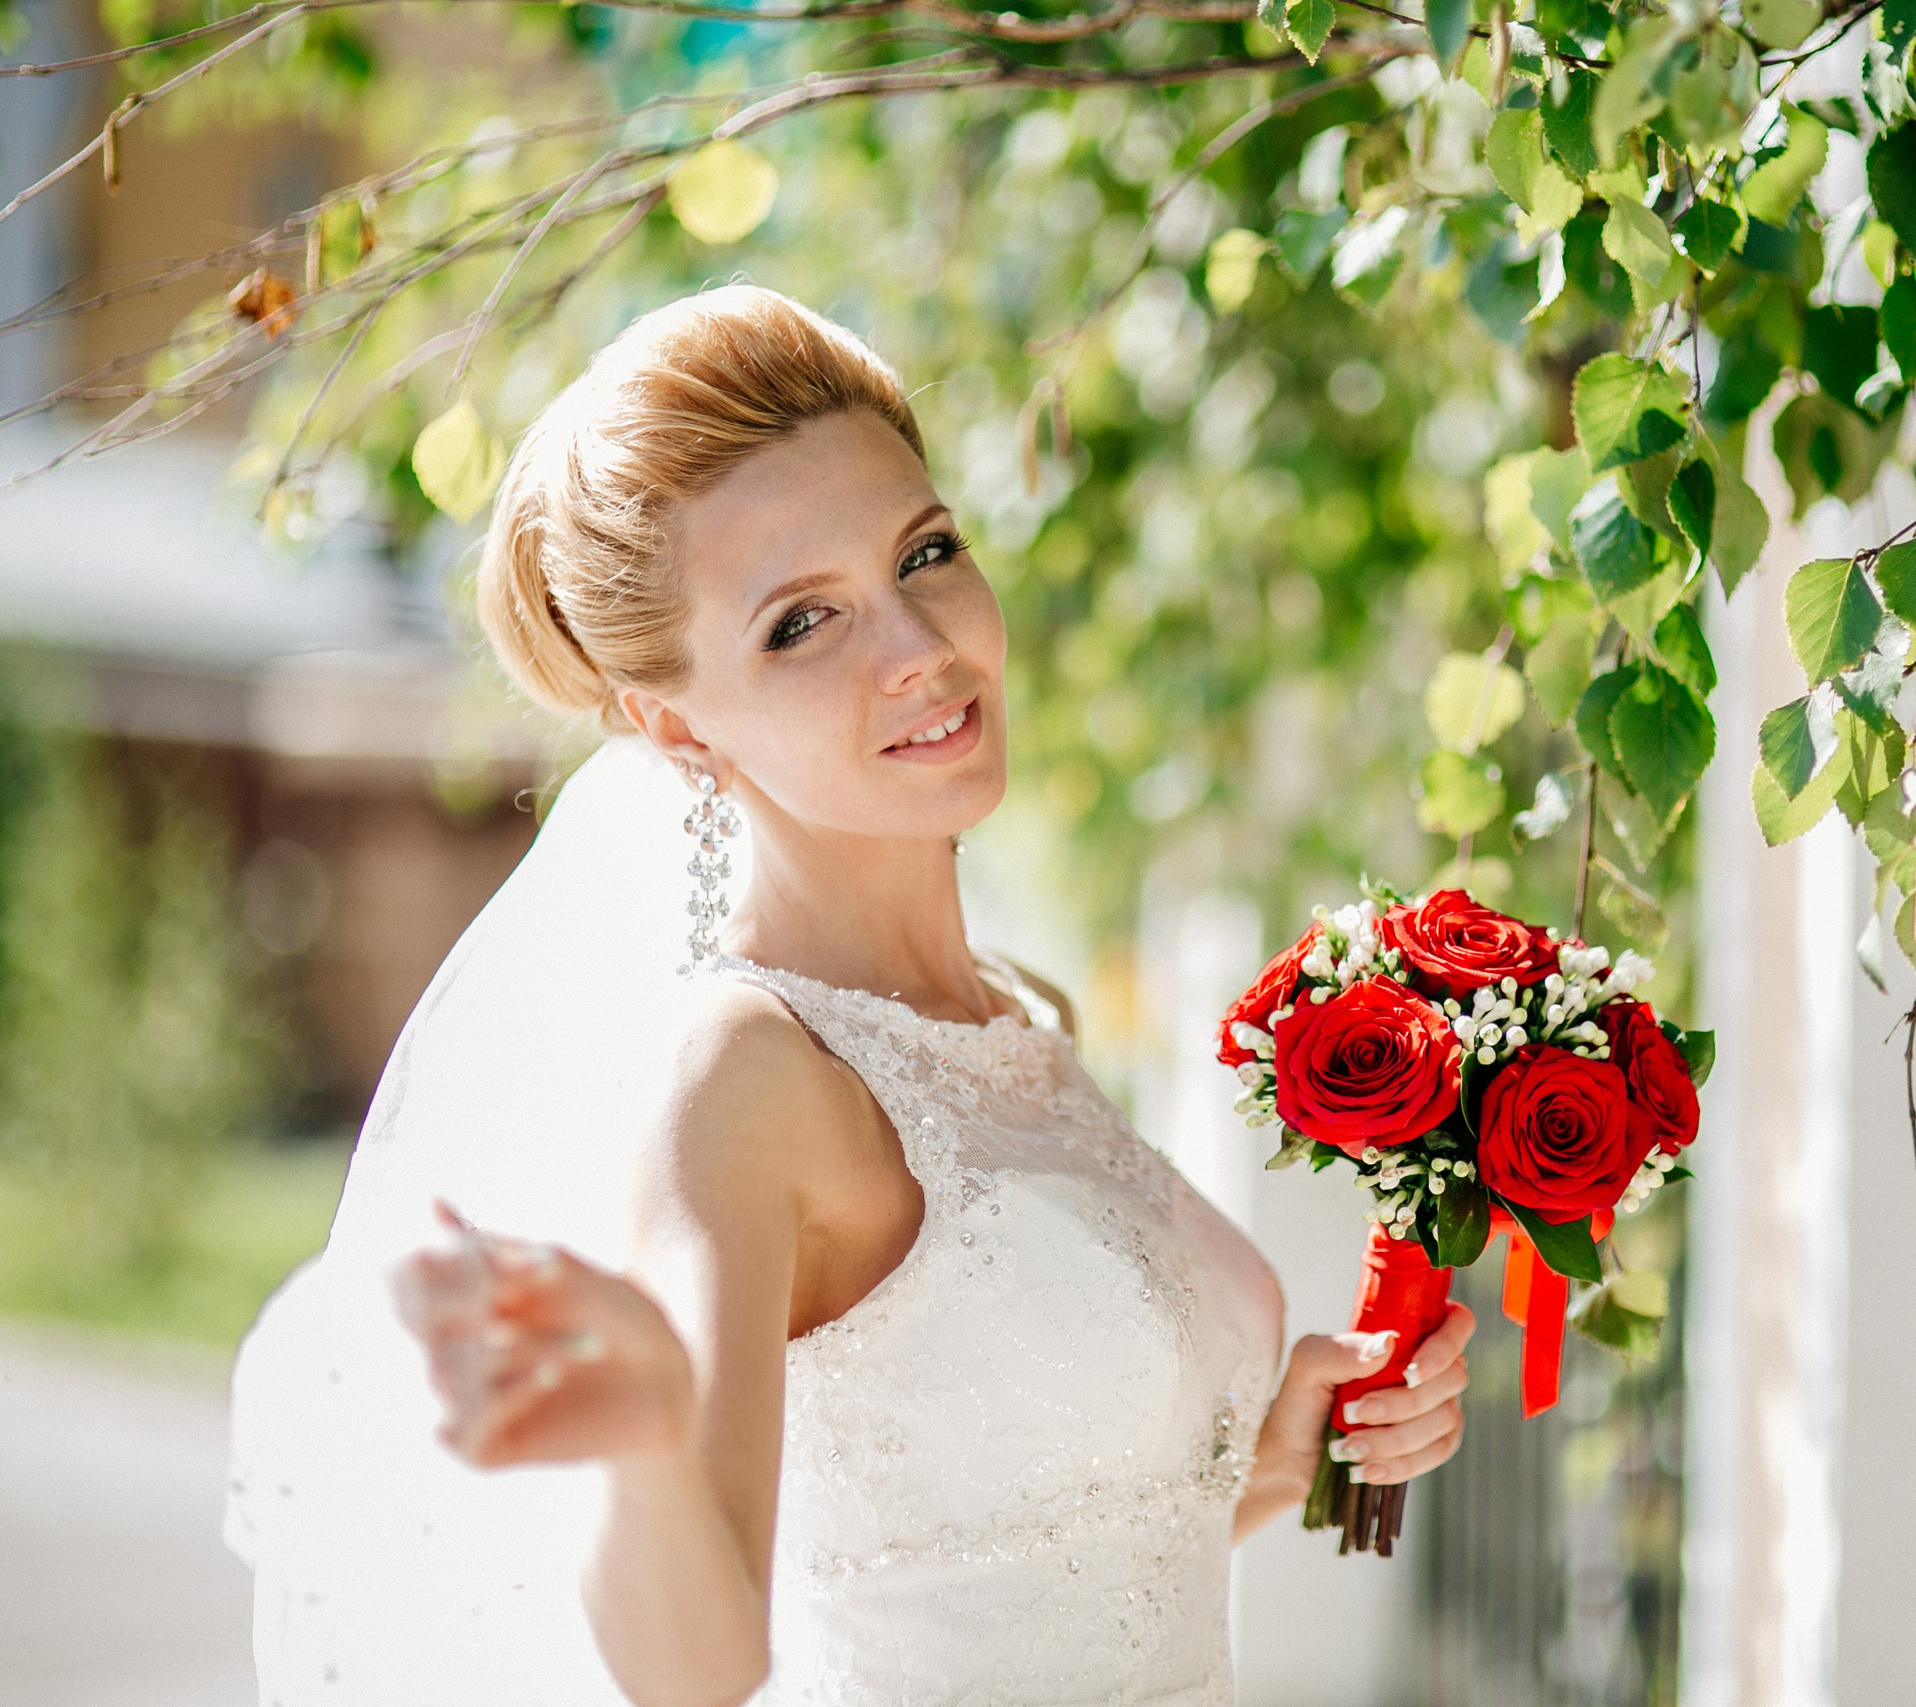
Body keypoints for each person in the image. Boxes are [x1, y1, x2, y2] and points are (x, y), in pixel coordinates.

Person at [224, 285, 1473, 1707]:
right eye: (801, 623)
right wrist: (638, 1437)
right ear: (675, 722)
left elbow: (993, 1571)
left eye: (925, 552)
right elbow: (696, 1669)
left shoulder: (1015, 1021)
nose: (918, 646)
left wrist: (1266, 1456)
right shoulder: (742, 1075)